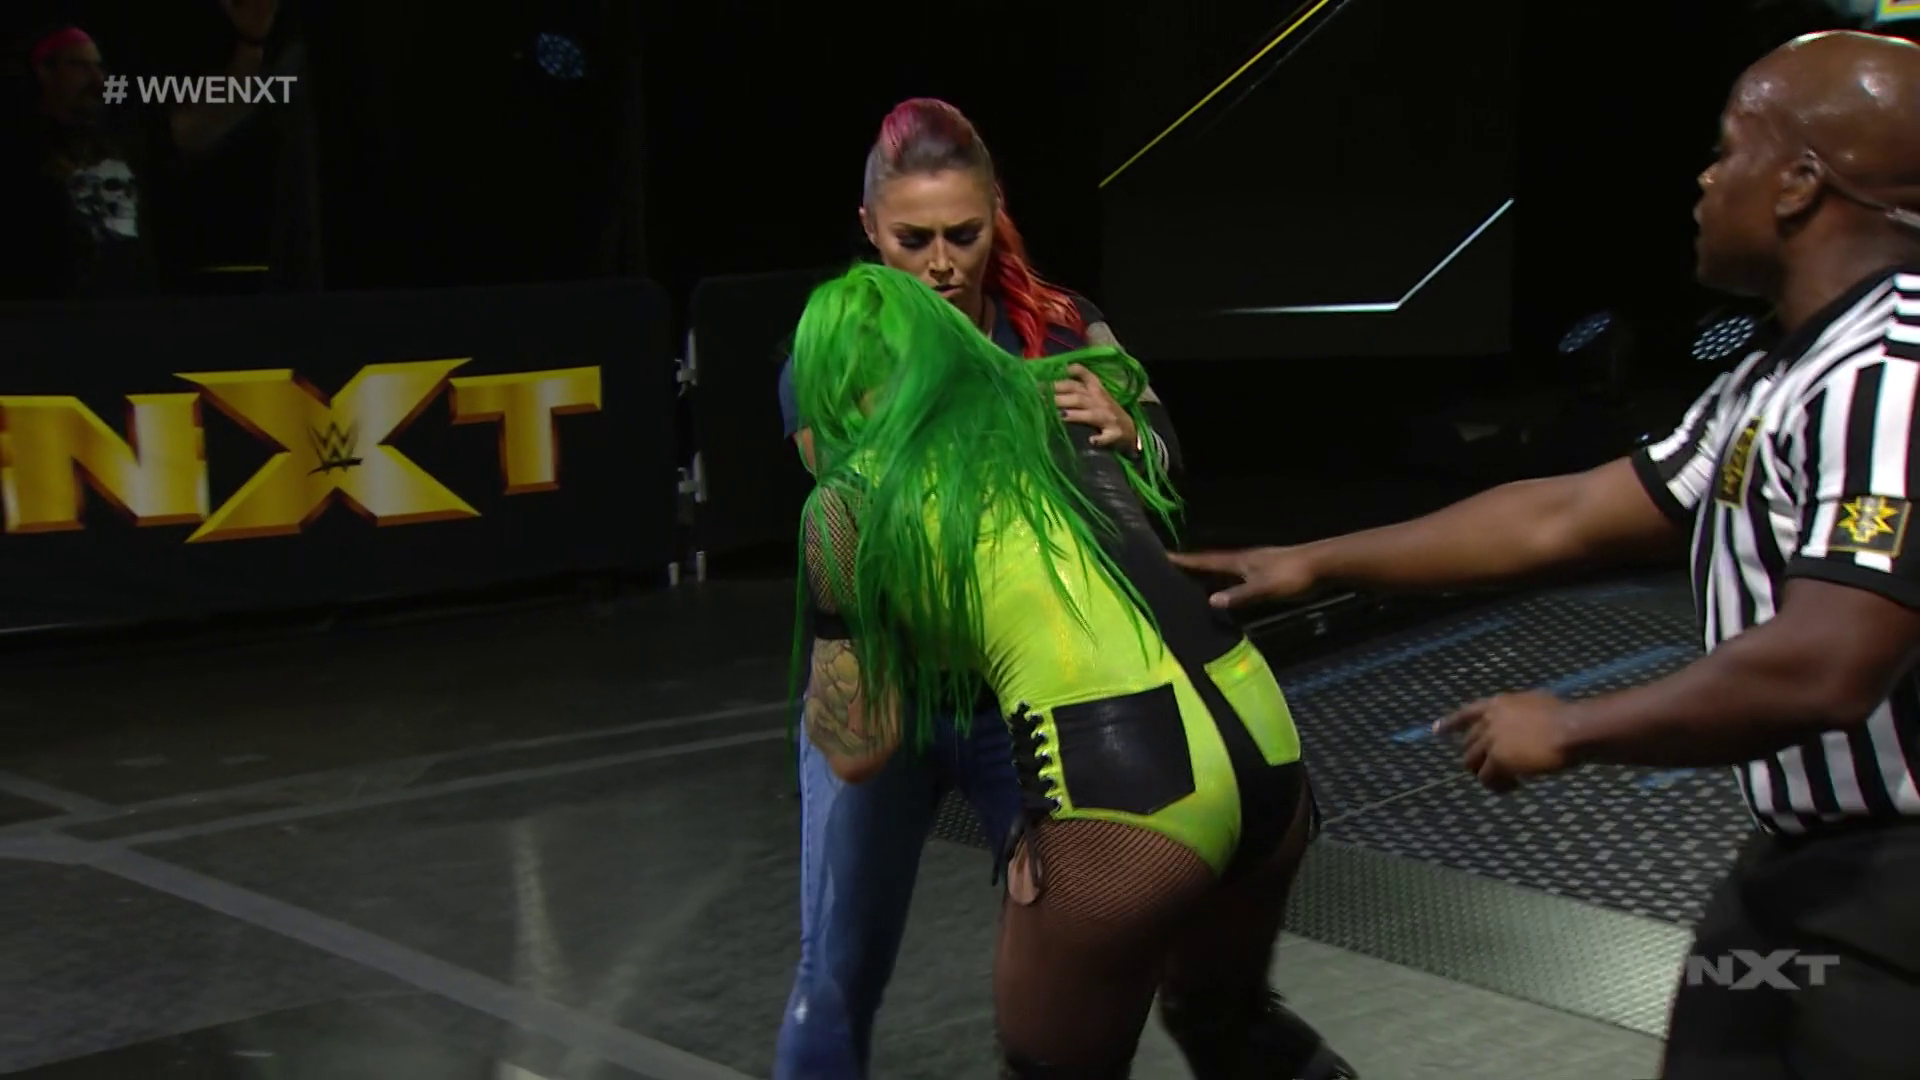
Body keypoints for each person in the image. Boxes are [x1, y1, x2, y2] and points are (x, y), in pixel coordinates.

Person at [1174, 30, 1920, 1080]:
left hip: (1893, 895)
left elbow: (1830, 661)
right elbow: (1566, 514)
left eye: (1728, 150)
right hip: (1804, 869)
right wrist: (1315, 561)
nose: (1707, 180)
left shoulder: (1890, 377)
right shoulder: (1782, 373)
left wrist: (1575, 725)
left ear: (1799, 184)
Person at [789, 261, 1351, 1079]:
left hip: (1126, 775)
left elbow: (858, 749)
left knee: (1049, 1068)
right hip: (1262, 732)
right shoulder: (1056, 398)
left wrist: (837, 632)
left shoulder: (847, 504)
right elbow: (1155, 458)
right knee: (1226, 1019)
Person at [773, 97, 1185, 1079]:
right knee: (833, 974)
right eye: (912, 239)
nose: (941, 263)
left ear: (998, 212)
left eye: (963, 234)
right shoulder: (833, 351)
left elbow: (1169, 467)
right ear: (870, 227)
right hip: (895, 680)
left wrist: (1132, 435)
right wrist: (1035, 429)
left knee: (1076, 962)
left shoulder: (1062, 324)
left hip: (1029, 696)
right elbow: (863, 525)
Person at [0, 1, 280, 300]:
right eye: (80, 66)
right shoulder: (17, 147)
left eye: (100, 67)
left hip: (133, 318)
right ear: (44, 71)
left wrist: (251, 44)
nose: (98, 80)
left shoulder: (126, 136)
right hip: (44, 319)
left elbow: (216, 112)